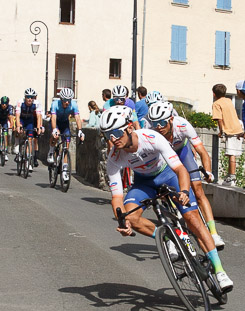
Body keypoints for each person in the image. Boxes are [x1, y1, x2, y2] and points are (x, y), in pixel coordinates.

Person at [100, 106, 233, 292]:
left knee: (193, 219)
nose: (112, 139)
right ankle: (170, 237)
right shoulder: (114, 157)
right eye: (107, 135)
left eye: (115, 133)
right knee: (130, 217)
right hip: (143, 183)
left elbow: (180, 170)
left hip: (167, 174)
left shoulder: (151, 138)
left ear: (129, 127)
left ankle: (219, 271)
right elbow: (116, 197)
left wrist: (185, 192)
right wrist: (122, 221)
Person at [147, 99, 225, 249]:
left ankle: (214, 233)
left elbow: (202, 150)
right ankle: (175, 228)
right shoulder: (152, 130)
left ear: (170, 119)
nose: (159, 127)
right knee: (168, 192)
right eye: (155, 123)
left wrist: (208, 171)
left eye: (162, 123)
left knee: (198, 189)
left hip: (182, 152)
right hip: (165, 158)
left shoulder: (182, 125)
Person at [211, 83, 244, 187]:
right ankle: (232, 175)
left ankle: (232, 177)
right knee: (233, 154)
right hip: (238, 128)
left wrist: (221, 131)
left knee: (231, 154)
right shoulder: (229, 100)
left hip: (230, 130)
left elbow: (219, 119)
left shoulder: (216, 104)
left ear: (214, 94)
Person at [49, 87, 85, 179]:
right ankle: (51, 151)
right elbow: (53, 118)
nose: (67, 102)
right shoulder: (55, 104)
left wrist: (80, 130)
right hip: (56, 122)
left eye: (69, 100)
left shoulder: (74, 105)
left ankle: (64, 169)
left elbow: (77, 118)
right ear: (61, 99)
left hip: (65, 123)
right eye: (65, 100)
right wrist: (54, 129)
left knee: (66, 146)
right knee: (56, 136)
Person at [16, 88, 42, 165]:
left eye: (31, 97)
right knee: (20, 131)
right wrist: (18, 126)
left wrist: (38, 127)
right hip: (22, 119)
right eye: (28, 97)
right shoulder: (20, 102)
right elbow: (17, 115)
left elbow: (38, 116)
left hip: (30, 121)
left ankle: (28, 158)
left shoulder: (36, 103)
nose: (30, 99)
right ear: (25, 97)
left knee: (30, 139)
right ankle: (18, 149)